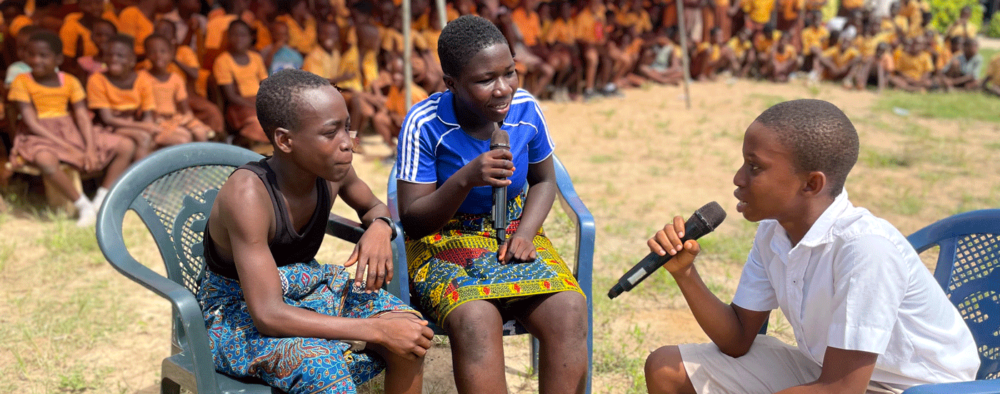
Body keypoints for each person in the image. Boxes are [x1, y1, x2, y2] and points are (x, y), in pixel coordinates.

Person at [643, 98, 980, 394]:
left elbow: (842, 389)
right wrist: (685, 273)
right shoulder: (773, 233)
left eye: (755, 167)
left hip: (908, 388)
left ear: (811, 184)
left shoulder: (864, 250)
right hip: (829, 375)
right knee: (667, 369)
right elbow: (737, 339)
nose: (738, 178)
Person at [198, 68, 431, 394]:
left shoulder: (334, 171)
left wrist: (380, 228)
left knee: (409, 329)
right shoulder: (249, 195)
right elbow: (267, 314)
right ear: (285, 140)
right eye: (330, 132)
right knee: (319, 365)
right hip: (239, 313)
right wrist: (375, 330)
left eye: (347, 127)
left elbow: (374, 207)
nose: (347, 143)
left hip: (307, 290)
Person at [395, 15, 587, 394]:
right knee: (475, 318)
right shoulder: (425, 122)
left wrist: (527, 234)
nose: (503, 89)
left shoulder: (527, 109)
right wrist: (466, 178)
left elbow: (544, 180)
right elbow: (414, 220)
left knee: (569, 309)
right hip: (443, 238)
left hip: (514, 229)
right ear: (451, 83)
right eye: (485, 80)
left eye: (509, 72)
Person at [7, 31, 135, 227]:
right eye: (31, 54)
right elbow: (31, 122)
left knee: (125, 145)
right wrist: (67, 147)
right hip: (38, 134)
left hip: (70, 129)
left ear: (58, 58)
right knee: (45, 160)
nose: (36, 60)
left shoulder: (70, 81)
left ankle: (101, 200)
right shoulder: (22, 81)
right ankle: (83, 205)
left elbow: (83, 117)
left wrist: (90, 149)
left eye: (43, 55)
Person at [87, 34, 167, 160]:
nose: (114, 59)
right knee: (144, 137)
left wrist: (148, 127)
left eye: (120, 56)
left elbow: (147, 116)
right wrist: (145, 127)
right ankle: (142, 178)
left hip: (134, 124)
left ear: (132, 60)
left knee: (166, 138)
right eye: (109, 55)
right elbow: (108, 119)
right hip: (108, 128)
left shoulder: (142, 80)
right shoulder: (96, 80)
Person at [144, 34, 211, 143]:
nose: (158, 56)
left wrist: (185, 118)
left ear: (171, 54)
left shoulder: (176, 78)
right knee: (184, 138)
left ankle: (203, 160)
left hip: (175, 118)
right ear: (146, 55)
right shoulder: (142, 78)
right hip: (156, 120)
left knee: (201, 132)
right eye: (152, 52)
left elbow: (186, 110)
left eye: (163, 52)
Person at [213, 20, 268, 144]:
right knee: (261, 124)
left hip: (258, 102)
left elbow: (265, 85)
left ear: (250, 38)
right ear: (228, 37)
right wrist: (255, 106)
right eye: (234, 34)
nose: (239, 39)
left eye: (243, 35)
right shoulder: (223, 61)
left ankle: (246, 138)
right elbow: (231, 96)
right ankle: (239, 140)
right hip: (238, 107)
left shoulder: (256, 58)